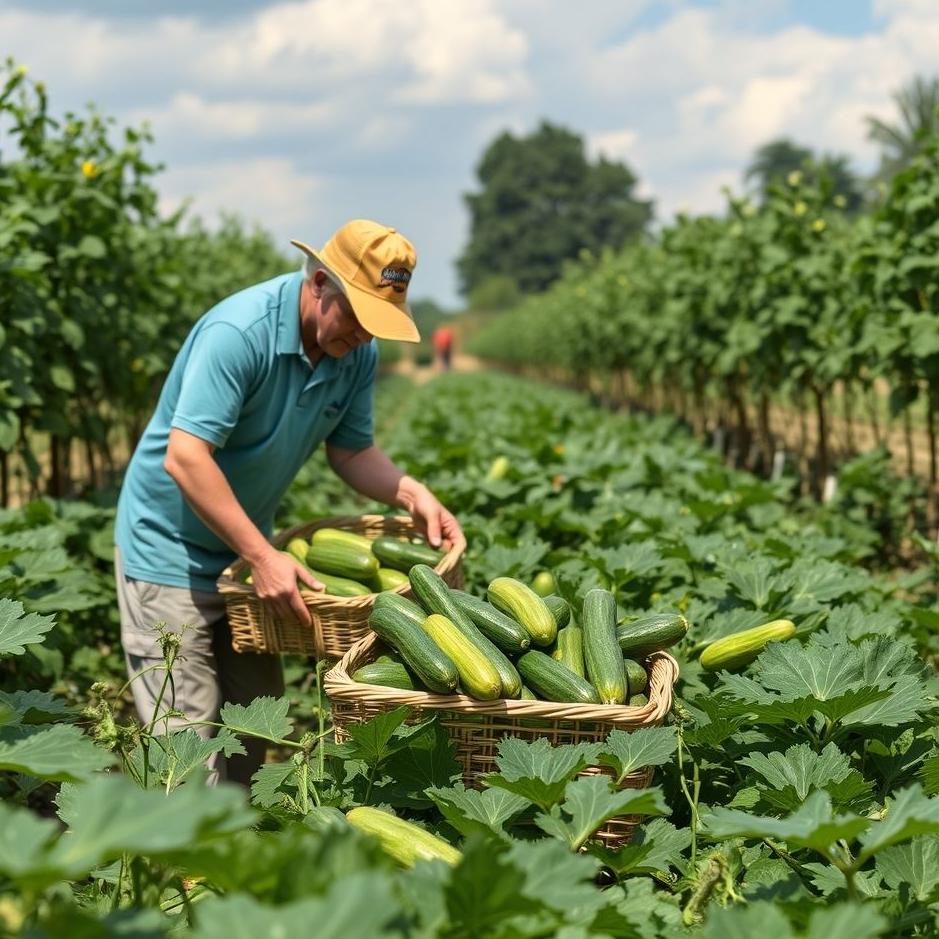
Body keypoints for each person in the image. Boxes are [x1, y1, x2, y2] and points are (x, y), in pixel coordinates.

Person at [114, 219, 462, 785]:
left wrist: (411, 491)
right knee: (187, 749)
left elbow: (351, 452)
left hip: (244, 556)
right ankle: (180, 870)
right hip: (168, 552)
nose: (363, 336)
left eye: (377, 323)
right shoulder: (240, 332)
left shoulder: (355, 355)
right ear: (320, 282)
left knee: (254, 729)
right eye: (356, 316)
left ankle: (235, 861)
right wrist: (264, 556)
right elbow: (186, 458)